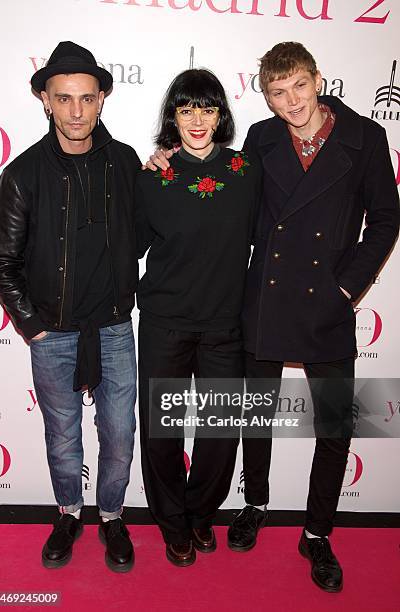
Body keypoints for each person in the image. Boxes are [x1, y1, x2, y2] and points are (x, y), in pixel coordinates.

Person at [145, 42, 400, 590]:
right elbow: (214, 183)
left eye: (299, 88)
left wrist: (345, 288)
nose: (291, 103)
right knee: (254, 416)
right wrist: (164, 159)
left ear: (318, 80)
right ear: (266, 96)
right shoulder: (259, 140)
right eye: (278, 93)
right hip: (265, 300)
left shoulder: (366, 139)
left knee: (335, 427)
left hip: (327, 305)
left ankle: (318, 535)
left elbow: (384, 220)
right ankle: (254, 504)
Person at [0, 41, 141, 573]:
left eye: (86, 98)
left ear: (102, 98)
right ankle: (69, 513)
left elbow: (147, 234)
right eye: (64, 99)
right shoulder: (22, 173)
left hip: (115, 330)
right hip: (51, 333)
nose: (76, 111)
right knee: (62, 436)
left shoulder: (125, 163)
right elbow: (2, 262)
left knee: (120, 434)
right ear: (45, 101)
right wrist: (31, 327)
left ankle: (113, 516)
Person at [135, 68, 261, 566]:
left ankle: (202, 514)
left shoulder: (246, 171)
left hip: (223, 326)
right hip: (165, 321)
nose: (197, 120)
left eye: (206, 109)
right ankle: (171, 522)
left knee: (219, 430)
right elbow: (130, 247)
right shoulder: (154, 176)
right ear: (173, 116)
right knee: (162, 429)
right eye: (186, 109)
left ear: (220, 115)